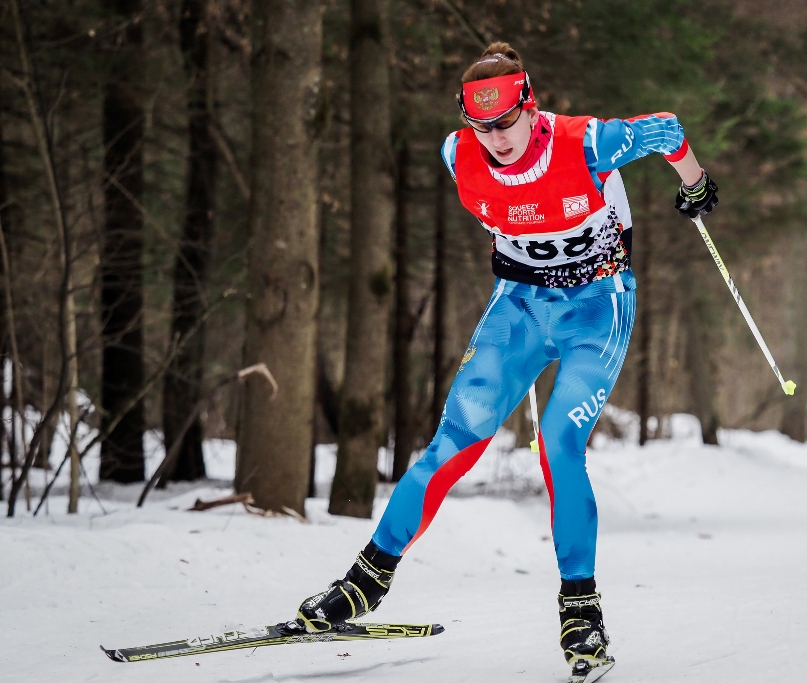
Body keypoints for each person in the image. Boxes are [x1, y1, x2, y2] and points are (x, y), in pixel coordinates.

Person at [291, 43, 719, 680]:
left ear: (530, 107)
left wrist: (696, 185)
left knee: (558, 442)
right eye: (481, 127)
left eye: (505, 123)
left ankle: (581, 610)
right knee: (453, 440)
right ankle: (363, 583)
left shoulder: (586, 143)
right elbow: (477, 160)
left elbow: (666, 130)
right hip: (518, 306)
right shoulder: (456, 152)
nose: (495, 139)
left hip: (596, 309)